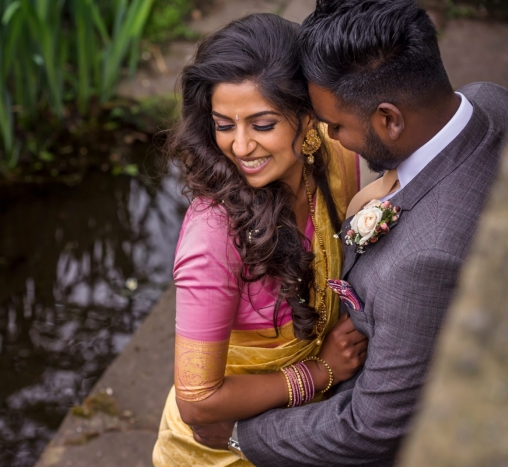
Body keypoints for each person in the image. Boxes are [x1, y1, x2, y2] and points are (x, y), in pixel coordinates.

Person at [192, 1, 508, 465]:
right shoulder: (488, 99)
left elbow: (370, 429)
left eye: (336, 125)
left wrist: (241, 435)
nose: (330, 137)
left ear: (389, 119)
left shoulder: (423, 259)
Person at [152, 13, 366, 466]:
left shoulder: (334, 154)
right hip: (223, 449)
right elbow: (198, 401)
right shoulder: (213, 234)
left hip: (313, 429)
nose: (241, 147)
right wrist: (320, 372)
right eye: (223, 124)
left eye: (262, 124)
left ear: (308, 119)